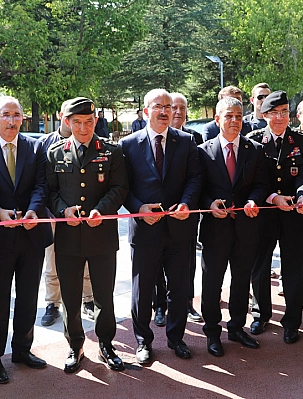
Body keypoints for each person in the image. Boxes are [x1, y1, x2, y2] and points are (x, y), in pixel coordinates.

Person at [0, 96, 53, 383]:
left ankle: (22, 349)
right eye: (5, 115)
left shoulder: (36, 147)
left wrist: (33, 211)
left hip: (32, 236)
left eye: (16, 115)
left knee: (28, 297)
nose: (11, 120)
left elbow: (42, 185)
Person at [46, 97, 129, 373]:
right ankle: (75, 345)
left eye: (89, 122)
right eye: (77, 122)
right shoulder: (55, 153)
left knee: (104, 295)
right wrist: (62, 210)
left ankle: (106, 344)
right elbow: (50, 192)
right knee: (70, 296)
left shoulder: (111, 151)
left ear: (96, 121)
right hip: (69, 238)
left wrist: (101, 211)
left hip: (102, 235)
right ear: (67, 122)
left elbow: (119, 188)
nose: (83, 128)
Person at [119, 89, 202, 364]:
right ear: (146, 111)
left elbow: (194, 179)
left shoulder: (187, 142)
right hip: (145, 231)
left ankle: (176, 338)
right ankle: (143, 341)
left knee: (179, 288)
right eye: (158, 106)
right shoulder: (128, 145)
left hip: (179, 230)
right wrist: (138, 208)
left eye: (168, 106)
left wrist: (187, 203)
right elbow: (123, 187)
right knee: (142, 291)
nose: (165, 111)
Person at [198, 97, 268, 357]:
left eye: (239, 116)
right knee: (212, 283)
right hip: (215, 231)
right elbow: (198, 189)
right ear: (217, 120)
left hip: (245, 230)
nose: (235, 121)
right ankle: (212, 333)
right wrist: (209, 203)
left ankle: (237, 327)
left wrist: (254, 199)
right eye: (229, 116)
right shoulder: (203, 152)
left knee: (241, 281)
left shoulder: (255, 149)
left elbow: (262, 185)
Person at [246, 91, 303, 343]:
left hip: (295, 215)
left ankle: (292, 322)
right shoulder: (253, 141)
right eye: (274, 113)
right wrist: (273, 197)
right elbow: (251, 180)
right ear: (264, 115)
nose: (279, 117)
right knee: (260, 267)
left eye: (284, 112)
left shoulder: (301, 141)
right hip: (264, 215)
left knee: (294, 268)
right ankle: (260, 314)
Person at [39, 100, 95, 327]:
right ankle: (53, 303)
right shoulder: (46, 143)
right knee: (52, 262)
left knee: (88, 260)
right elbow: (43, 181)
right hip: (55, 215)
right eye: (71, 117)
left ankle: (88, 299)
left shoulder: (92, 139)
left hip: (86, 215)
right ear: (63, 117)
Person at [169, 92, 204, 322]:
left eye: (182, 108)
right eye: (174, 107)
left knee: (187, 263)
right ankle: (160, 306)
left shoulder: (194, 138)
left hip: (186, 211)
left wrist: (187, 203)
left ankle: (188, 303)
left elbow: (198, 175)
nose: (178, 112)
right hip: (158, 213)